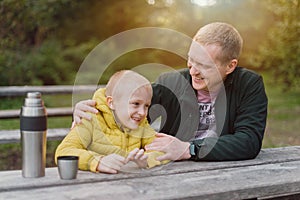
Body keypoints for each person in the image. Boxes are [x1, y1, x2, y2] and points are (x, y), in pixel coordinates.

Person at [72, 22, 268, 163]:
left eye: (204, 65)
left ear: (230, 66)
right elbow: (128, 98)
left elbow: (248, 141)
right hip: (171, 173)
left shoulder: (249, 85)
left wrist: (189, 149)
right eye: (191, 60)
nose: (193, 71)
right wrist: (94, 106)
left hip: (227, 172)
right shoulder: (172, 82)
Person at [55, 70, 167, 174]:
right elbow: (64, 151)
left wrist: (147, 160)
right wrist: (98, 161)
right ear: (111, 103)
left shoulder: (141, 124)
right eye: (136, 104)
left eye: (146, 106)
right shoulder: (90, 118)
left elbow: (164, 150)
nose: (142, 113)